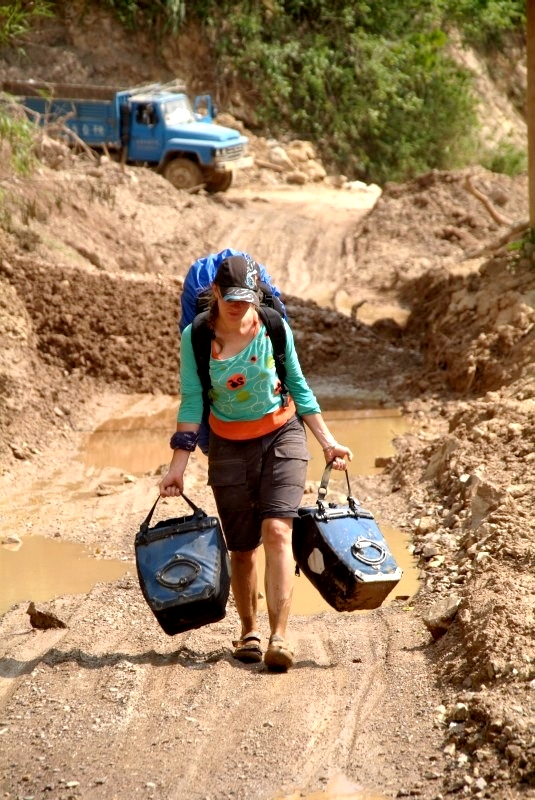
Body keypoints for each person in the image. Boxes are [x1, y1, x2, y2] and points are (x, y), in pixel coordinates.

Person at [160, 254, 353, 672]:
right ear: (215, 293)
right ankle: (248, 631)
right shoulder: (196, 337)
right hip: (228, 445)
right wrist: (178, 464)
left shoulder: (274, 327)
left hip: (282, 434)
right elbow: (193, 402)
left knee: (278, 530)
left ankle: (279, 636)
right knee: (243, 548)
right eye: (231, 298)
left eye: (246, 299)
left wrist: (328, 442)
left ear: (257, 296)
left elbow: (299, 386)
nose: (239, 306)